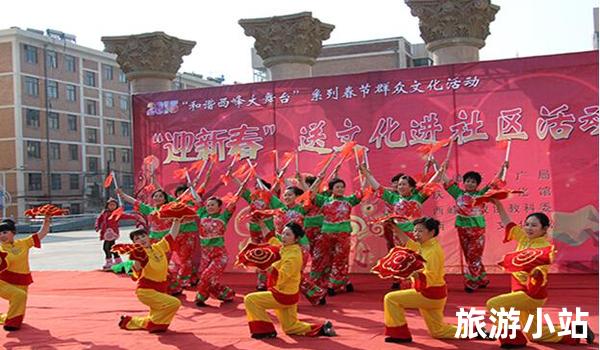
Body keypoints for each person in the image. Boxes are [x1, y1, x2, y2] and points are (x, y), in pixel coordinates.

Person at [486, 200, 594, 347]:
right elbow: (508, 223)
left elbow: (541, 270)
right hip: (519, 291)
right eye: (527, 224)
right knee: (535, 334)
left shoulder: (545, 248)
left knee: (494, 304)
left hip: (531, 293)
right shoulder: (523, 237)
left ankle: (512, 339)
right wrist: (498, 204)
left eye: (534, 225)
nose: (529, 228)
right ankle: (575, 331)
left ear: (544, 229)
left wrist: (536, 274)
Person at [243, 222, 336, 339]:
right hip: (289, 295)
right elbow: (271, 239)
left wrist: (266, 266)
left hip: (282, 295)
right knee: (290, 327)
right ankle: (323, 328)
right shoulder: (285, 247)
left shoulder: (293, 256)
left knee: (250, 300)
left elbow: (282, 276)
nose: (283, 237)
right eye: (283, 233)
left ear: (296, 239)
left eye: (288, 235)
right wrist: (261, 224)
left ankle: (265, 331)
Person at [382, 217, 457, 343]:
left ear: (431, 232)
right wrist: (394, 228)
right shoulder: (426, 246)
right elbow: (409, 243)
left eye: (420, 231)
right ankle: (474, 331)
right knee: (438, 331)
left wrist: (409, 272)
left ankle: (400, 334)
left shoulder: (432, 251)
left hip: (428, 294)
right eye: (415, 231)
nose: (416, 234)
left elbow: (430, 277)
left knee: (391, 299)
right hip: (436, 294)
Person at [441, 161, 508, 292]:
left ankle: (472, 281)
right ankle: (482, 278)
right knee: (470, 256)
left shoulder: (481, 195)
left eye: (473, 182)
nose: (470, 183)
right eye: (467, 181)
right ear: (464, 183)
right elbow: (445, 179)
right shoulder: (458, 194)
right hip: (462, 229)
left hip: (477, 230)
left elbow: (494, 183)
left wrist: (503, 169)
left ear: (477, 185)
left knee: (473, 255)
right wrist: (439, 167)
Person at [118, 219, 183, 333]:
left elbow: (172, 235)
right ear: (134, 243)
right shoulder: (139, 254)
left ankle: (129, 322)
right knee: (174, 303)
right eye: (137, 239)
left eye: (143, 236)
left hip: (161, 289)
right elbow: (137, 268)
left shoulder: (159, 247)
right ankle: (151, 324)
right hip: (147, 291)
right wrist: (137, 257)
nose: (141, 239)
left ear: (148, 237)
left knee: (161, 324)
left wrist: (176, 221)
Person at [310, 177, 362, 295]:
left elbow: (362, 192)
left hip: (343, 235)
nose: (340, 189)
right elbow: (311, 194)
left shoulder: (349, 200)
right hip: (326, 234)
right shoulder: (324, 200)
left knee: (340, 259)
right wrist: (318, 180)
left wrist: (363, 173)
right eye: (337, 187)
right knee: (323, 258)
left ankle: (333, 284)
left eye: (342, 187)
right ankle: (321, 282)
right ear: (331, 189)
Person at [0, 216, 51, 331]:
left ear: (13, 233)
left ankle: (10, 319)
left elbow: (41, 234)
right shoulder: (1, 249)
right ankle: (10, 324)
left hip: (21, 280)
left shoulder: (23, 243)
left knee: (20, 304)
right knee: (19, 296)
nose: (2, 236)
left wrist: (46, 222)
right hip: (3, 282)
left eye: (4, 232)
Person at [194, 196, 238, 306]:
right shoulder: (202, 214)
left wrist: (239, 188)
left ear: (219, 207)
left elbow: (232, 203)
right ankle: (226, 293)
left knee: (206, 275)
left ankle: (201, 296)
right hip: (205, 254)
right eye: (208, 205)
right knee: (207, 279)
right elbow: (197, 200)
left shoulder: (223, 217)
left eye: (213, 205)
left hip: (219, 255)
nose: (209, 207)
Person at [95, 198, 134, 270]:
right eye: (110, 205)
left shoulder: (117, 213)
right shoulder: (104, 213)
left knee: (106, 247)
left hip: (112, 233)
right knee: (112, 247)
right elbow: (99, 219)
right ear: (107, 206)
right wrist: (97, 226)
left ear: (116, 206)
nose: (112, 206)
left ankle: (109, 262)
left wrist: (136, 217)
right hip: (105, 232)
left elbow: (126, 216)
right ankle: (118, 260)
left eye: (114, 205)